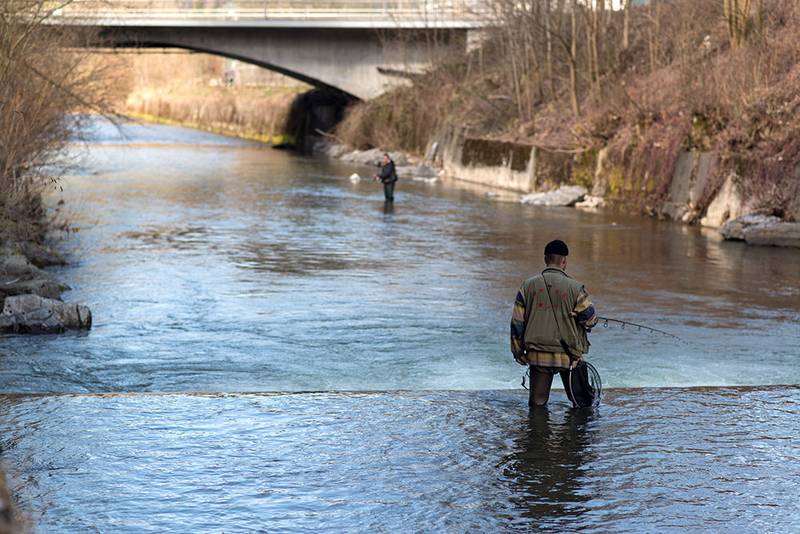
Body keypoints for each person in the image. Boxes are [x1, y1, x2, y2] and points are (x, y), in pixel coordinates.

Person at [510, 239, 599, 407]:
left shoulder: (527, 286)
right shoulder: (576, 287)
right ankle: (578, 433)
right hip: (569, 356)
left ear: (545, 259)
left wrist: (517, 351)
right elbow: (591, 320)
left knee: (537, 405)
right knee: (582, 405)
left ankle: (536, 432)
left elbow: (517, 322)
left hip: (537, 354)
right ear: (564, 261)